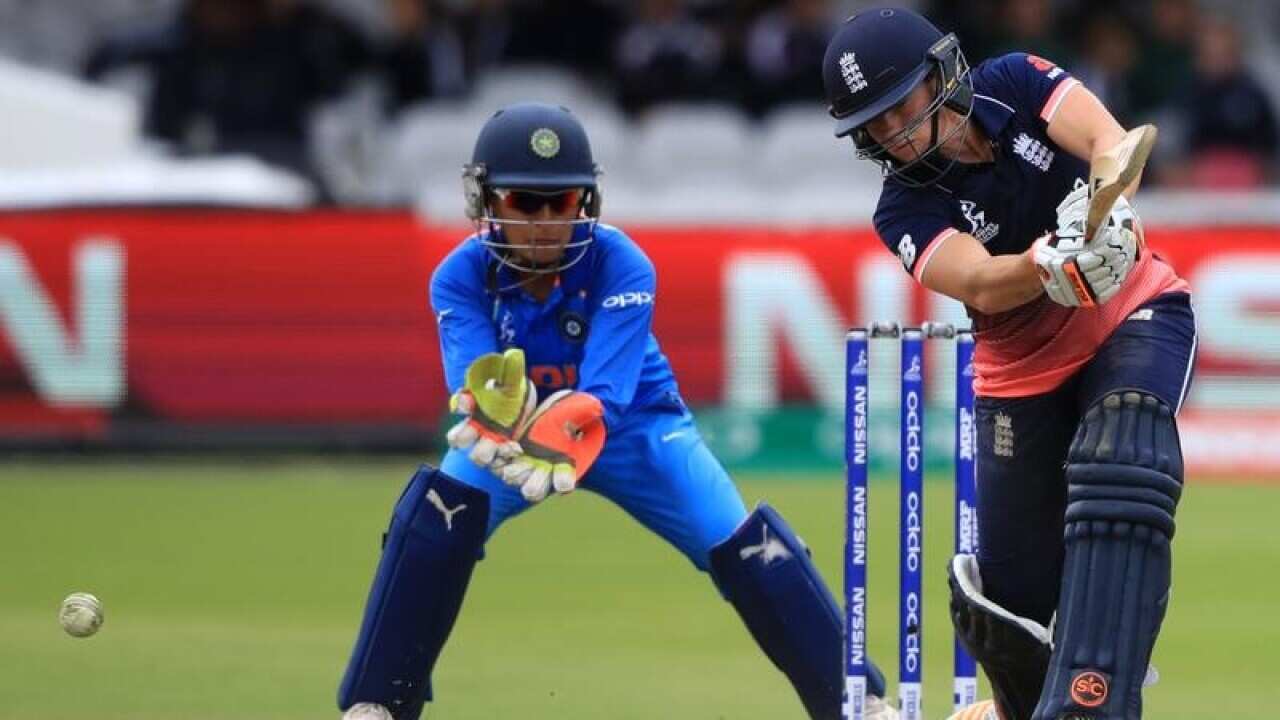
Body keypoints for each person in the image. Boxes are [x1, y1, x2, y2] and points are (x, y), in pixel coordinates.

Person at [335, 102, 894, 720]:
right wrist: (499, 416)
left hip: (635, 429)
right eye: (525, 201)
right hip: (517, 438)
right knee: (435, 514)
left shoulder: (624, 264)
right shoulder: (458, 277)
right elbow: (479, 382)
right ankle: (376, 705)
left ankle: (860, 704)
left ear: (587, 203)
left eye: (562, 201)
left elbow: (603, 394)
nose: (546, 221)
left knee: (746, 545)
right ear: (487, 201)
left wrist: (558, 419)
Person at [822, 8, 1195, 720]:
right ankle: (1019, 705)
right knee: (1009, 603)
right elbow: (982, 283)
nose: (891, 135)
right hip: (1019, 365)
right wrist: (1048, 262)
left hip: (1131, 312)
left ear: (941, 75)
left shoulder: (1016, 82)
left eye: (898, 108)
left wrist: (1108, 215)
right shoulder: (900, 207)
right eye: (873, 126)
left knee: (1123, 450)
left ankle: (1096, 695)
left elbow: (1112, 143)